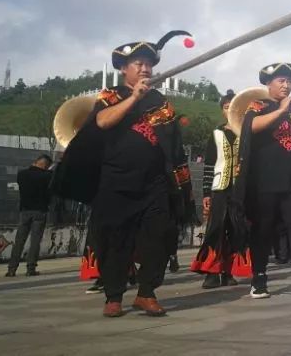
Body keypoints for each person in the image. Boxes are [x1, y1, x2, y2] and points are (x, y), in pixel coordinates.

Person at [57, 30, 196, 318]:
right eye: (138, 64)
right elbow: (103, 123)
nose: (145, 69)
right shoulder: (110, 96)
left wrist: (180, 185)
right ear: (123, 68)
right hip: (116, 182)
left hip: (155, 183)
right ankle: (114, 296)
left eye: (148, 64)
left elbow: (174, 144)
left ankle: (146, 293)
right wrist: (134, 98)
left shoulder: (160, 102)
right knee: (114, 240)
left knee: (158, 237)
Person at [233, 40, 291, 300]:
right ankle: (259, 278)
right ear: (269, 84)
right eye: (280, 81)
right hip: (264, 183)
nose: (285, 85)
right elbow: (249, 129)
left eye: (288, 81)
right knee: (263, 230)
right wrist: (282, 111)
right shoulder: (258, 106)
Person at [190, 90, 253, 289]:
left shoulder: (247, 133)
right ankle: (210, 272)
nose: (230, 110)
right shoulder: (216, 134)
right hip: (219, 187)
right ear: (222, 111)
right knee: (215, 229)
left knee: (236, 230)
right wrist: (207, 193)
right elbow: (209, 165)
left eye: (233, 107)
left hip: (239, 191)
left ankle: (228, 272)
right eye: (226, 108)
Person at [6, 154, 54, 277]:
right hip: (40, 211)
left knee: (19, 241)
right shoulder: (47, 176)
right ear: (45, 165)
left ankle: (12, 269)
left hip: (25, 211)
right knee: (35, 241)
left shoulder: (22, 175)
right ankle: (30, 268)